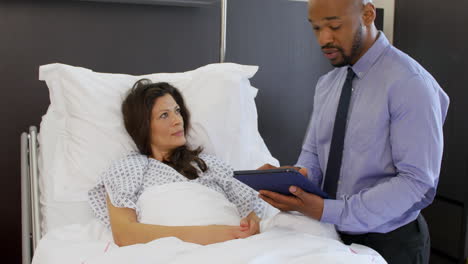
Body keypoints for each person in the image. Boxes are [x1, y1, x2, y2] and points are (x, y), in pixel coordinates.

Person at [257, 0, 449, 263]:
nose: (324, 39)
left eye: (335, 26)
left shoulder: (410, 84)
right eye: (316, 28)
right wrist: (296, 181)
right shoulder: (328, 84)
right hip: (330, 234)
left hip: (390, 242)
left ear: (368, 14)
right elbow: (313, 152)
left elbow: (417, 183)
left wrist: (328, 210)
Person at [88, 79, 267, 247]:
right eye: (164, 115)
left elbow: (252, 215)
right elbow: (125, 234)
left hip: (236, 248)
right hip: (177, 252)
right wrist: (215, 235)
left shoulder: (210, 165)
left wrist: (251, 227)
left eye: (177, 111)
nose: (177, 120)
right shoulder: (127, 170)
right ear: (143, 125)